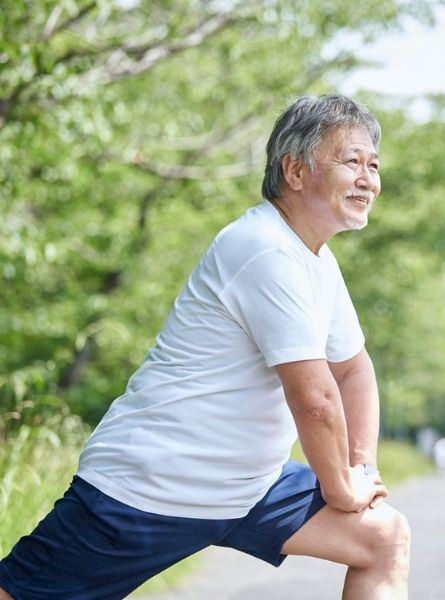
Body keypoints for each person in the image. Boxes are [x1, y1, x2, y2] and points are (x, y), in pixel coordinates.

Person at [0, 94, 410, 600]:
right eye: (352, 162)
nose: (369, 178)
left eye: (374, 165)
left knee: (383, 537)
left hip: (246, 487)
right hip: (151, 485)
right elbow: (316, 398)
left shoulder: (316, 260)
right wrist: (340, 486)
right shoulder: (262, 248)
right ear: (295, 172)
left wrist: (360, 469)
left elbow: (352, 370)